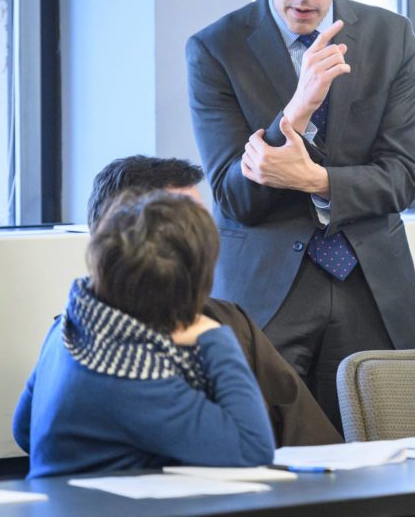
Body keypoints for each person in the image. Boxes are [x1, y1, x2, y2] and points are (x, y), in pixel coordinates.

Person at [186, 0, 415, 429]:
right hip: (266, 300)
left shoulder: (391, 38)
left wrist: (318, 180)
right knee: (268, 475)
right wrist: (295, 110)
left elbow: (407, 175)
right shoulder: (215, 49)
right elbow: (233, 195)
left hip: (371, 288)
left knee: (382, 473)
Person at [12, 191, 275, 478]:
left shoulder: (70, 326)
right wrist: (214, 336)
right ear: (193, 283)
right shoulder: (135, 374)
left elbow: (23, 429)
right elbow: (253, 446)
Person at [86, 155, 342, 445]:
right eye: (186, 224)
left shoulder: (230, 322)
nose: (204, 238)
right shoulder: (86, 336)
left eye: (202, 221)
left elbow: (313, 438)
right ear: (122, 234)